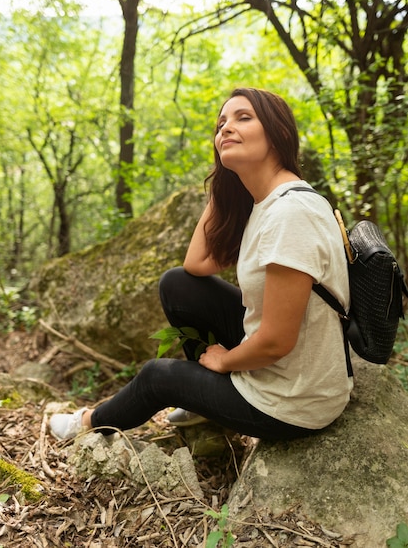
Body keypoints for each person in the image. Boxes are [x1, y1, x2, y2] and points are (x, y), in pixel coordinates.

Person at [50, 87, 353, 442]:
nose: (225, 128)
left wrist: (224, 361)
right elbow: (195, 265)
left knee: (157, 376)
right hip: (285, 367)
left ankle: (85, 423)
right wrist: (228, 185)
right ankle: (206, 401)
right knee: (177, 285)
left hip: (295, 400)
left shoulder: (291, 213)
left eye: (243, 118)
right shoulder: (268, 202)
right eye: (221, 123)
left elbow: (276, 341)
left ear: (280, 133)